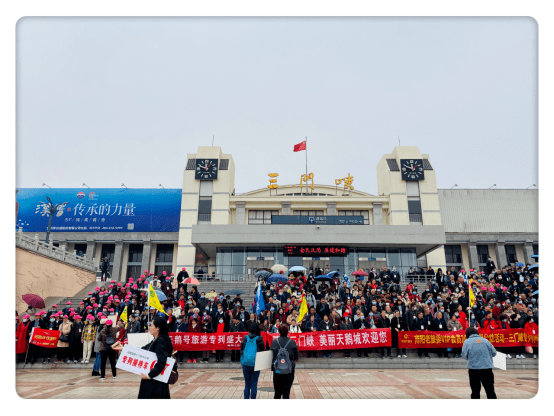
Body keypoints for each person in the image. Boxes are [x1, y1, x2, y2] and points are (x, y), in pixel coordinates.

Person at [117, 316, 174, 399]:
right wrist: (124, 348)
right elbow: (143, 350)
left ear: (158, 328)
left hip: (155, 382)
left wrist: (149, 375)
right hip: (154, 380)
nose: (149, 327)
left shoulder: (160, 341)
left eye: (151, 325)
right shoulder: (155, 340)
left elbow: (161, 362)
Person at [461, 327, 497, 399]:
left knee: (475, 391)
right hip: (487, 369)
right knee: (490, 390)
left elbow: (464, 355)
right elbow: (494, 353)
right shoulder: (485, 341)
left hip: (474, 370)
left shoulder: (467, 342)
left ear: (468, 334)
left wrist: (471, 358)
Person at [270, 324, 299, 399]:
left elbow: (270, 356)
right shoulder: (292, 342)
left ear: (279, 331)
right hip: (289, 372)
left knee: (277, 393)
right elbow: (296, 357)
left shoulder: (274, 342)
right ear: (287, 332)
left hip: (277, 372)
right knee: (286, 393)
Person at [240, 322, 265, 399]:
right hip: (255, 363)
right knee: (254, 384)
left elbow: (241, 350)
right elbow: (262, 351)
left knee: (247, 384)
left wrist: (242, 359)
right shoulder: (259, 339)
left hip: (245, 363)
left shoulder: (245, 338)